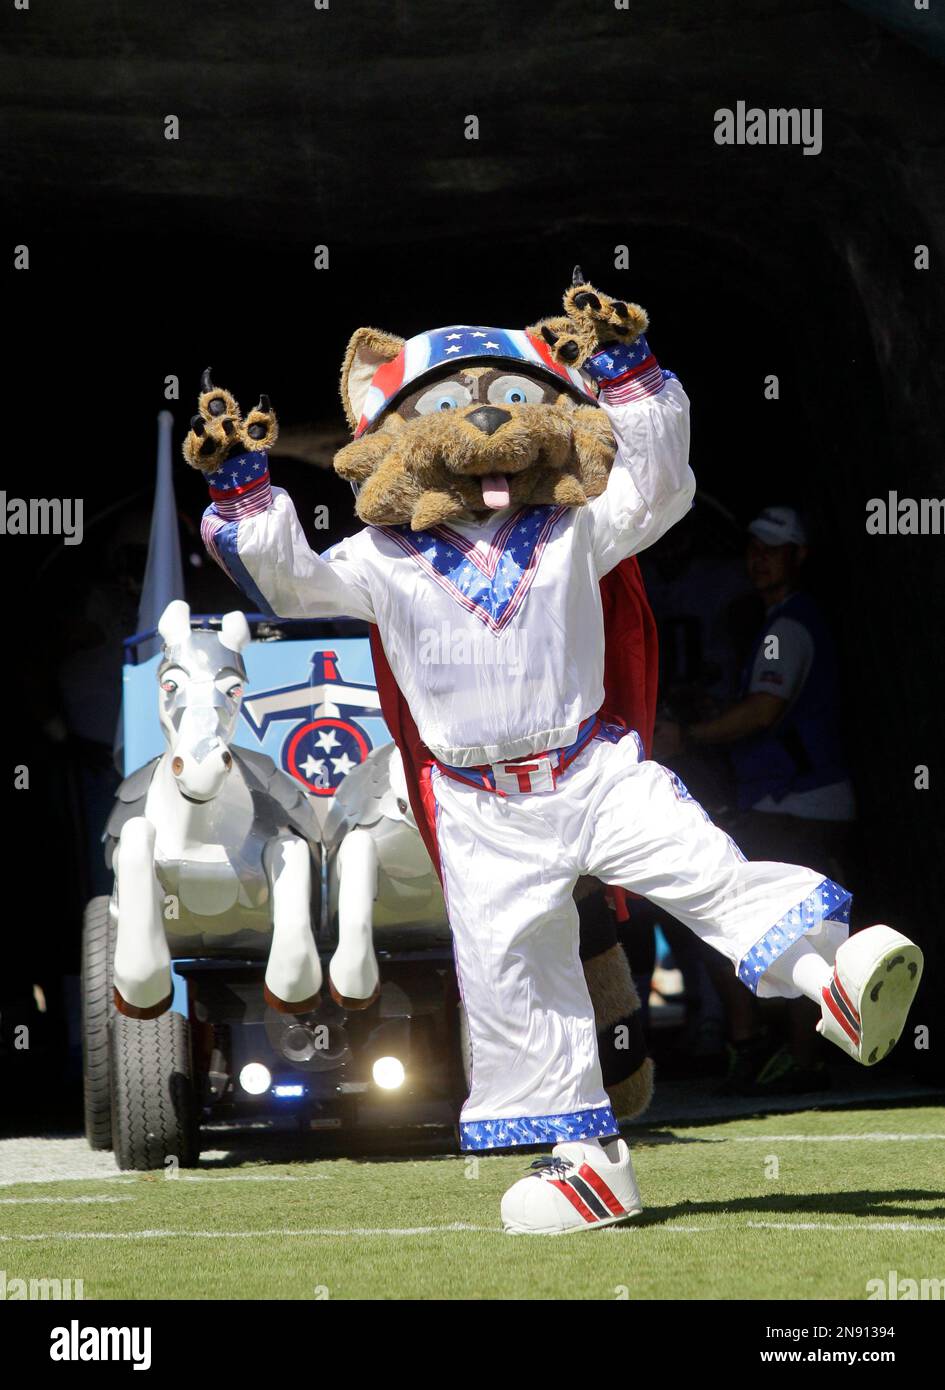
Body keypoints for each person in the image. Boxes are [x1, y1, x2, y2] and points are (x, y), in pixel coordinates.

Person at [185, 278, 923, 1235]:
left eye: (507, 396)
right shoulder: (381, 558)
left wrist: (626, 372)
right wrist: (243, 493)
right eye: (446, 406)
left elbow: (659, 488)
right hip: (476, 804)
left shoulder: (577, 526)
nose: (484, 419)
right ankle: (587, 1168)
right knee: (516, 978)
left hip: (589, 766)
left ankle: (835, 975)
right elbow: (292, 581)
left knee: (699, 866)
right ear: (392, 429)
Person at [656, 506, 858, 1091]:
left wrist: (687, 736)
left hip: (796, 805)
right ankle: (783, 1052)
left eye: (773, 548)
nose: (759, 558)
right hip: (790, 803)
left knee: (787, 927)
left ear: (799, 557)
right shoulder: (777, 624)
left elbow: (765, 710)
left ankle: (793, 1056)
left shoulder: (787, 628)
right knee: (792, 929)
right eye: (754, 547)